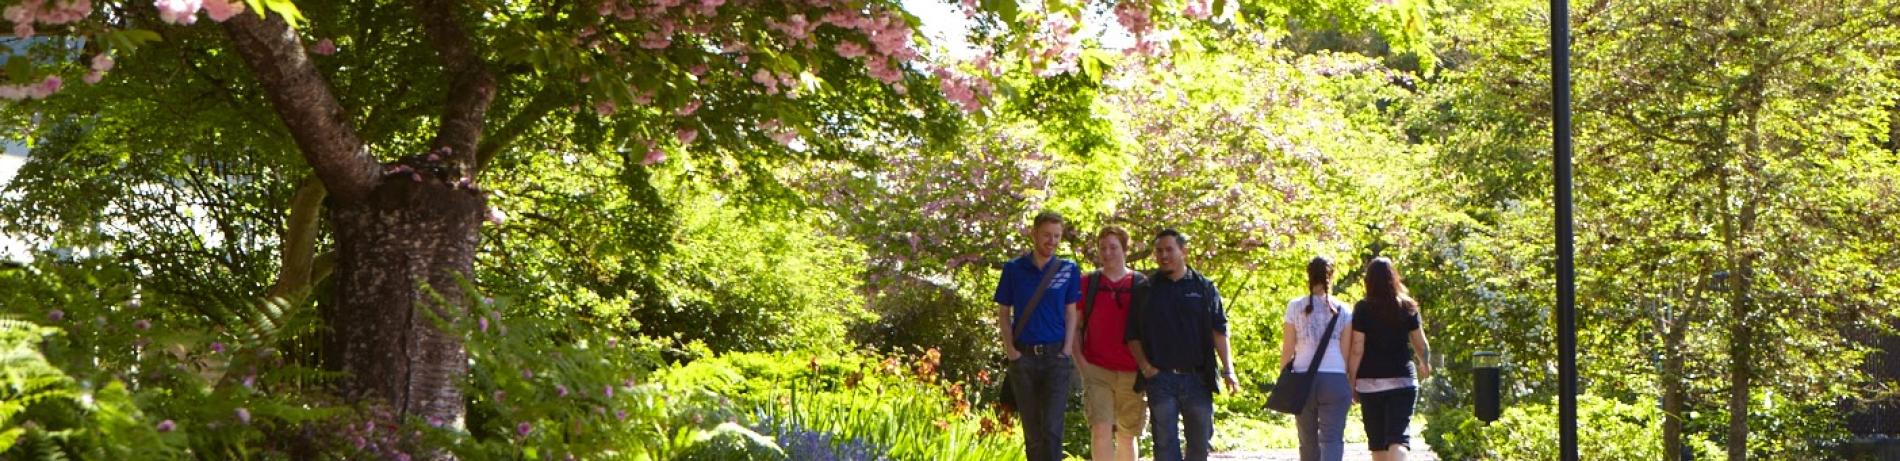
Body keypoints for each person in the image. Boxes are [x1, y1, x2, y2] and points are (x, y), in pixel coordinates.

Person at [1125, 229, 1238, 461]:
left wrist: (1229, 370)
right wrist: (1146, 367)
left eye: (1169, 250)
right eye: (1159, 251)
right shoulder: (1146, 290)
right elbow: (1132, 335)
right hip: (1161, 379)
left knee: (1199, 444)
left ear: (1183, 251)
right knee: (1165, 446)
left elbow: (1219, 330)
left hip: (1197, 378)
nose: (1164, 255)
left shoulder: (1204, 288)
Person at [994, 211, 1083, 461]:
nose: (1052, 241)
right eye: (1047, 235)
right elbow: (1003, 312)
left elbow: (1071, 313)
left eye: (1057, 236)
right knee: (1032, 433)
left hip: (1056, 358)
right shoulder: (1014, 269)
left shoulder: (1068, 269)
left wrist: (1067, 350)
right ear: (1034, 233)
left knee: (1053, 430)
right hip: (1024, 359)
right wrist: (1011, 351)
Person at [1347, 257, 1433, 461]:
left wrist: (1351, 380)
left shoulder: (1362, 308)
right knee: (1398, 439)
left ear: (1368, 281)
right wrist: (1425, 362)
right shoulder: (1407, 306)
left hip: (1369, 383)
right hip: (1402, 380)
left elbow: (1357, 348)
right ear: (1394, 278)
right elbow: (1420, 343)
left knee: (1377, 445)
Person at [1073, 226, 1148, 461]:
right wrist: (1081, 363)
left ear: (1125, 249)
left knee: (1127, 434)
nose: (1107, 253)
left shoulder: (1141, 284)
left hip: (1132, 371)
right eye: (1103, 248)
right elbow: (1075, 326)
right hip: (1097, 369)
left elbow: (1151, 329)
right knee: (1100, 429)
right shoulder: (1088, 283)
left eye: (1113, 247)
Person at [1279, 256, 1353, 461]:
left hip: (1303, 379)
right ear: (1332, 277)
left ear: (1308, 276)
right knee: (1332, 440)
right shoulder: (1344, 310)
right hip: (1335, 378)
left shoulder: (1294, 307)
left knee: (1307, 441)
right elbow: (1346, 352)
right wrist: (1348, 381)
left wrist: (1284, 379)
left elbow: (1288, 349)